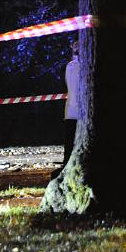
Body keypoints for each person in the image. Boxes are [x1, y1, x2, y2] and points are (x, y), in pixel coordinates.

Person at [52, 41, 81, 179]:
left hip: (70, 110)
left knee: (70, 142)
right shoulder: (84, 67)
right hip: (81, 112)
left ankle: (68, 164)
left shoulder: (70, 66)